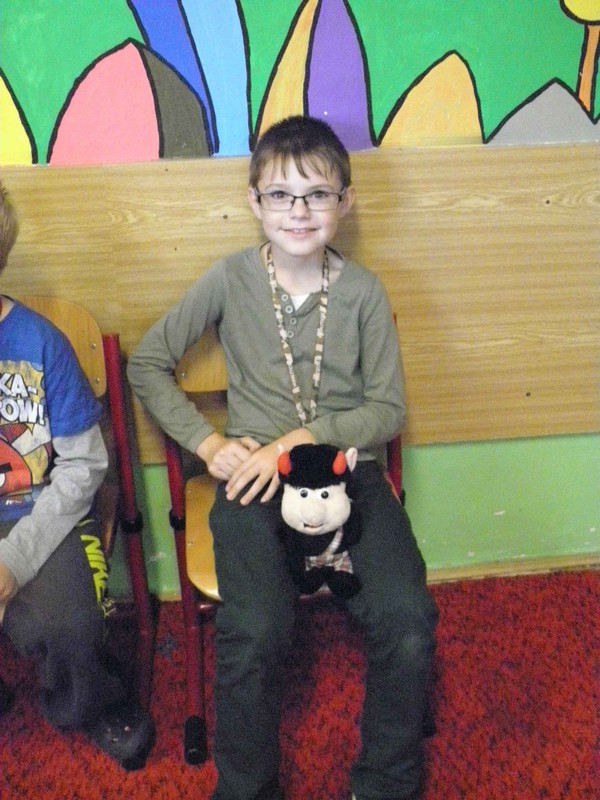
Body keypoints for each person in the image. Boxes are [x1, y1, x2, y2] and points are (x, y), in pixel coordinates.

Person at [128, 115, 438, 800]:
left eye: (317, 194)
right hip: (254, 485)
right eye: (280, 195)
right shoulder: (230, 278)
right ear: (254, 201)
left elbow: (387, 410)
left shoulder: (363, 291)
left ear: (344, 202)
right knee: (255, 629)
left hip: (348, 473)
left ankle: (386, 782)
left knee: (407, 619)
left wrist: (300, 440)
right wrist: (208, 444)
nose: (299, 211)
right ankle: (247, 789)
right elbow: (147, 363)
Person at [0, 180, 154, 770]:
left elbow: (84, 465)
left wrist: (15, 561)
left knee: (71, 626)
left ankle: (91, 705)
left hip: (42, 509)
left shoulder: (41, 342)